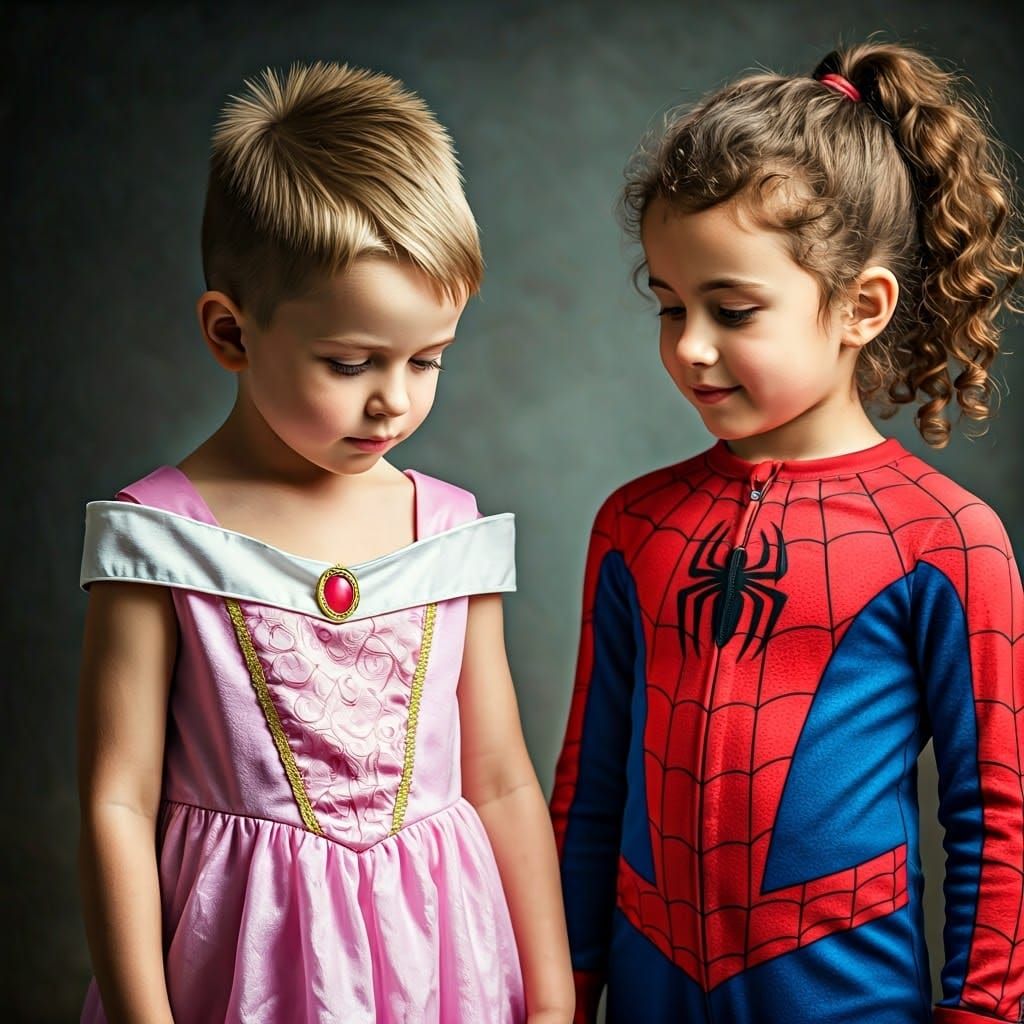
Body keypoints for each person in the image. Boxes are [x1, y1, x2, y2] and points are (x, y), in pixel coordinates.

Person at [77, 61, 573, 1024]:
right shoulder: (160, 540)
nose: (394, 398)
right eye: (350, 363)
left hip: (444, 968)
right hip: (239, 971)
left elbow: (502, 776)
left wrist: (552, 999)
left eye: (428, 360)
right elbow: (117, 803)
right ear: (231, 332)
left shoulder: (449, 533)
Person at [550, 41, 1023, 1024]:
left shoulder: (946, 540)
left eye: (731, 310)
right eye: (670, 306)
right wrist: (558, 991)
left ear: (860, 306)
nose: (688, 347)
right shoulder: (633, 526)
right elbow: (589, 790)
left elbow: (993, 818)